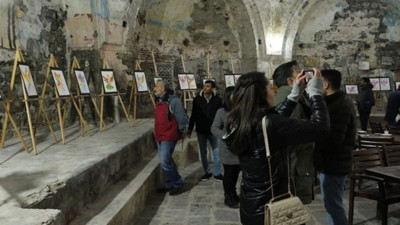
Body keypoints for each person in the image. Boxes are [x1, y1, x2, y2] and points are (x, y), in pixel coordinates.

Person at [223, 71, 330, 225]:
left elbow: (272, 122)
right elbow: (321, 128)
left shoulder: (239, 119)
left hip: (252, 205)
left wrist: (294, 94)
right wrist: (315, 93)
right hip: (274, 208)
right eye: (270, 87)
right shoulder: (269, 124)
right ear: (261, 94)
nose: (273, 91)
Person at [315, 69, 356, 225]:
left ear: (325, 84)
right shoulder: (336, 102)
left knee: (333, 205)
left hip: (334, 163)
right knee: (332, 204)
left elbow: (334, 139)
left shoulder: (338, 106)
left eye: (317, 83)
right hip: (332, 162)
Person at [272, 60, 315, 204]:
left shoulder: (293, 97)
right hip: (295, 166)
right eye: (298, 72)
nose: (303, 74)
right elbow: (293, 135)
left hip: (295, 164)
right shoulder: (290, 101)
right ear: (291, 81)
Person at [153, 80, 188, 195]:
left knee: (164, 161)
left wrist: (180, 131)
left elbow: (181, 118)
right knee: (166, 160)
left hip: (169, 135)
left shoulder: (174, 101)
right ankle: (169, 183)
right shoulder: (159, 100)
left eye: (156, 87)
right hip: (160, 135)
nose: (154, 89)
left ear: (163, 88)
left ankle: (177, 182)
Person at [211, 86, 240, 208]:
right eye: (234, 94)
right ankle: (228, 196)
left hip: (239, 148)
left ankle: (233, 194)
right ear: (228, 96)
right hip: (228, 149)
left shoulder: (241, 110)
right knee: (229, 174)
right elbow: (214, 128)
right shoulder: (221, 112)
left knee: (236, 173)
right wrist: (225, 136)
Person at [188, 80, 223, 181]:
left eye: (208, 86)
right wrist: (190, 129)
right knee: (203, 152)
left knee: (216, 152)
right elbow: (193, 115)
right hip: (201, 130)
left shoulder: (218, 100)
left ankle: (217, 173)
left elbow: (220, 114)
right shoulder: (197, 100)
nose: (205, 88)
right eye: (204, 86)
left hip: (214, 131)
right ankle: (207, 172)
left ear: (212, 88)